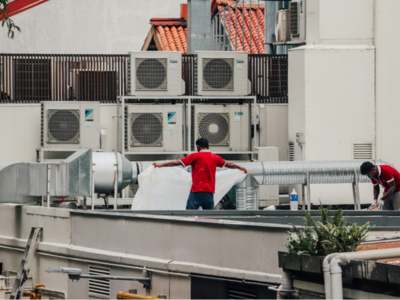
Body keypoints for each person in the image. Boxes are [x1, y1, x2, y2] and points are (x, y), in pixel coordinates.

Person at [153, 138, 247, 210]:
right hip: (209, 192)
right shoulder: (214, 157)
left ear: (198, 147)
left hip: (196, 192)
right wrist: (240, 168)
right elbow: (229, 164)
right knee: (209, 218)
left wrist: (161, 165)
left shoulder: (195, 156)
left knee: (189, 216)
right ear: (207, 146)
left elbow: (177, 162)